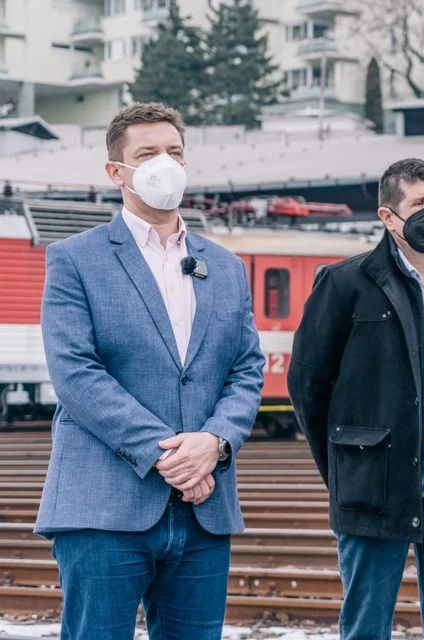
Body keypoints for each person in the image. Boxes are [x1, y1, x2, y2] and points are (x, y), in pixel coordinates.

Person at [35, 102, 265, 639]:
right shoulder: (74, 259)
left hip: (203, 511)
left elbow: (246, 369)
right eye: (148, 153)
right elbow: (76, 373)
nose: (166, 163)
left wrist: (215, 442)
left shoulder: (226, 267)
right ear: (117, 172)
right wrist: (173, 454)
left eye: (175, 152)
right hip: (104, 509)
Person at [288, 158, 424, 640]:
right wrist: (345, 463)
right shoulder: (346, 282)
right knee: (367, 622)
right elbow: (308, 384)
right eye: (420, 204)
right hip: (376, 468)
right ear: (388, 217)